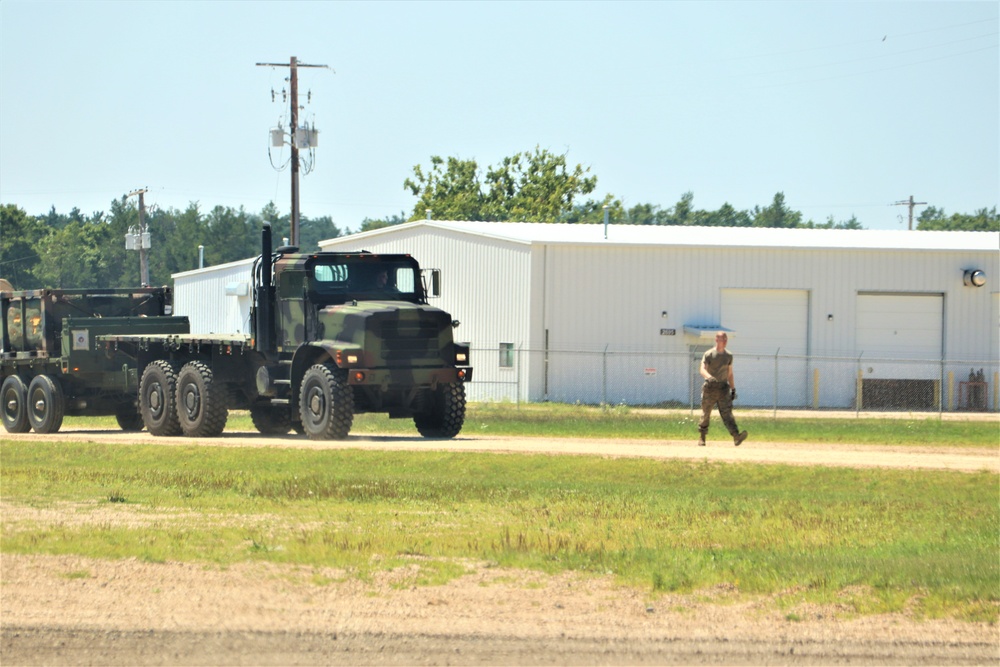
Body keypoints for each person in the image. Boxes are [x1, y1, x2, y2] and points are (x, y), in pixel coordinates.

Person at [698, 332, 748, 447]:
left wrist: (733, 388)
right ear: (716, 340)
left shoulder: (729, 356)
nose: (725, 341)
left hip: (723, 388)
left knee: (727, 414)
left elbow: (730, 374)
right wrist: (709, 377)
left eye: (726, 339)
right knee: (706, 413)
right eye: (722, 339)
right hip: (710, 388)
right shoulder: (709, 354)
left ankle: (736, 436)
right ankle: (702, 437)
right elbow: (702, 369)